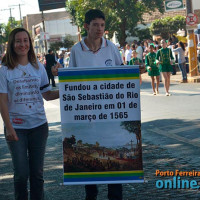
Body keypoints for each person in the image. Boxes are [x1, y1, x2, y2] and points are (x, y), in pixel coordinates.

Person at [53, 9, 123, 200]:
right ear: (86, 26)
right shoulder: (76, 50)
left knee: (113, 150)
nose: (99, 29)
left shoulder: (112, 48)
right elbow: (71, 83)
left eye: (102, 25)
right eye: (95, 25)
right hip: (87, 114)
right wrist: (59, 72)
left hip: (110, 113)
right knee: (88, 157)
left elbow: (122, 76)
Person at [0, 27, 60, 200]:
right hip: (16, 128)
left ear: (30, 43)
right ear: (12, 44)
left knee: (37, 174)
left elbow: (47, 95)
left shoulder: (38, 67)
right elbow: (2, 101)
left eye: (25, 40)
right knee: (21, 174)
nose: (22, 44)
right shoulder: (4, 70)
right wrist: (9, 127)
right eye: (18, 41)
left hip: (39, 127)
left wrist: (69, 90)